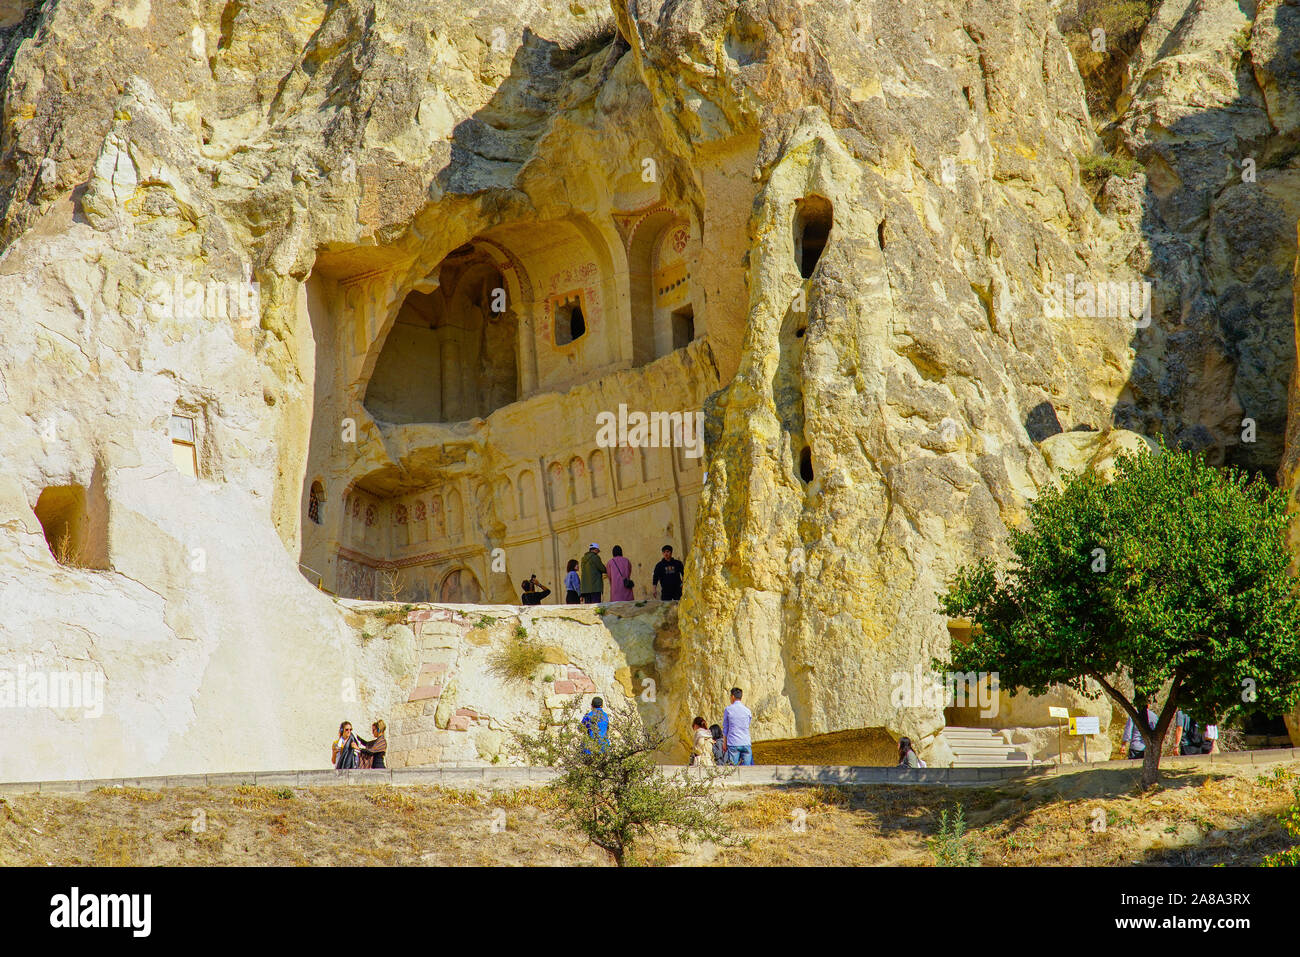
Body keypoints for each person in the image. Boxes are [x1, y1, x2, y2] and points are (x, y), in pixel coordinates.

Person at [722, 687, 753, 766]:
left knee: (733, 770)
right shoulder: (747, 711)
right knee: (747, 770)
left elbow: (725, 728)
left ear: (732, 697)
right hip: (746, 742)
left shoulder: (728, 710)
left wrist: (724, 743)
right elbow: (747, 725)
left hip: (733, 743)